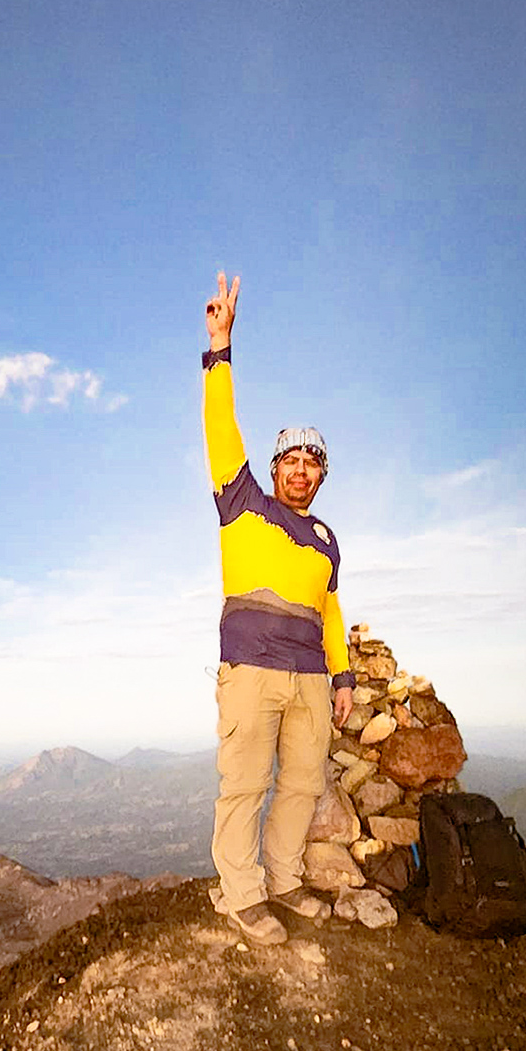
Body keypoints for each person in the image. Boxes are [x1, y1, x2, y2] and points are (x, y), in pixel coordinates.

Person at [203, 271, 354, 944]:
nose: (300, 470)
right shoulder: (243, 506)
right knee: (243, 787)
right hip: (251, 671)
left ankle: (284, 880)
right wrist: (220, 347)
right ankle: (241, 894)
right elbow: (220, 423)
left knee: (300, 784)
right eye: (290, 459)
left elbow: (330, 613)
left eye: (311, 463)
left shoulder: (326, 541)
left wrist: (343, 676)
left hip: (311, 680)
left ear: (321, 476)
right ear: (273, 468)